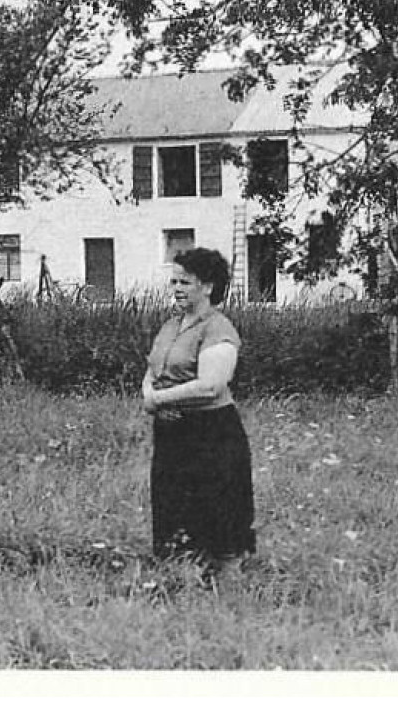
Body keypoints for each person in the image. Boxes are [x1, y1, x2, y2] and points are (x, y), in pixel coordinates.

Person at [141, 247, 257, 578]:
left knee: (217, 510)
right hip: (172, 433)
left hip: (211, 434)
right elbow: (154, 367)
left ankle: (226, 583)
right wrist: (150, 393)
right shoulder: (171, 325)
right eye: (174, 281)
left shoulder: (218, 329)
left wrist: (159, 399)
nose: (176, 288)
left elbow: (210, 385)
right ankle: (179, 578)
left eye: (185, 282)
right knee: (173, 507)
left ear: (207, 287)